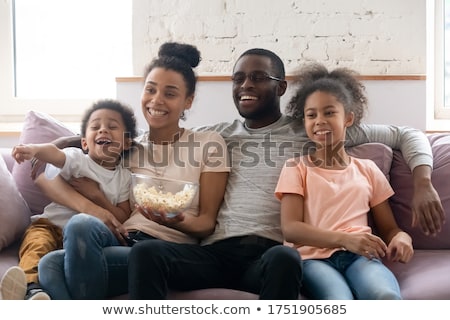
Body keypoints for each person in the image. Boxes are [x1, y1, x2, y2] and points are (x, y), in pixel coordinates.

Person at [36, 48, 442, 300]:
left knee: (284, 258)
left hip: (270, 252)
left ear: (281, 88)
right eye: (238, 78)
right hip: (214, 250)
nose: (245, 85)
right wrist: (74, 143)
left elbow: (405, 134)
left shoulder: (312, 128)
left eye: (258, 78)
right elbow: (130, 139)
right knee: (146, 252)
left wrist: (422, 182)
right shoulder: (218, 136)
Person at [36, 42, 230, 299]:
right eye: (150, 89)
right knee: (63, 245)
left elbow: (206, 224)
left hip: (164, 249)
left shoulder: (209, 143)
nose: (156, 100)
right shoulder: (128, 145)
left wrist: (174, 219)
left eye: (170, 94)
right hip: (122, 237)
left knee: (58, 264)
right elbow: (48, 173)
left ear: (188, 101)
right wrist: (61, 146)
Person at [275, 63, 414, 299]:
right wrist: (345, 240)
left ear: (348, 118)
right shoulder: (296, 168)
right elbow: (291, 229)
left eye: (329, 112)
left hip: (360, 258)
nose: (319, 120)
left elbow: (390, 228)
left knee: (385, 296)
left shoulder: (368, 169)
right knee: (340, 302)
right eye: (311, 115)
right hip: (313, 261)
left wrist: (403, 237)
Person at [0, 99, 137, 300]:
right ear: (84, 143)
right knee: (36, 248)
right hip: (49, 225)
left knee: (57, 266)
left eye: (112, 127)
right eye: (95, 127)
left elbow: (122, 216)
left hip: (81, 242)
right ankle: (31, 290)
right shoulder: (78, 160)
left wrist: (97, 196)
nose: (102, 131)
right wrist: (34, 149)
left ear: (126, 142)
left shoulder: (124, 177)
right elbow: (54, 154)